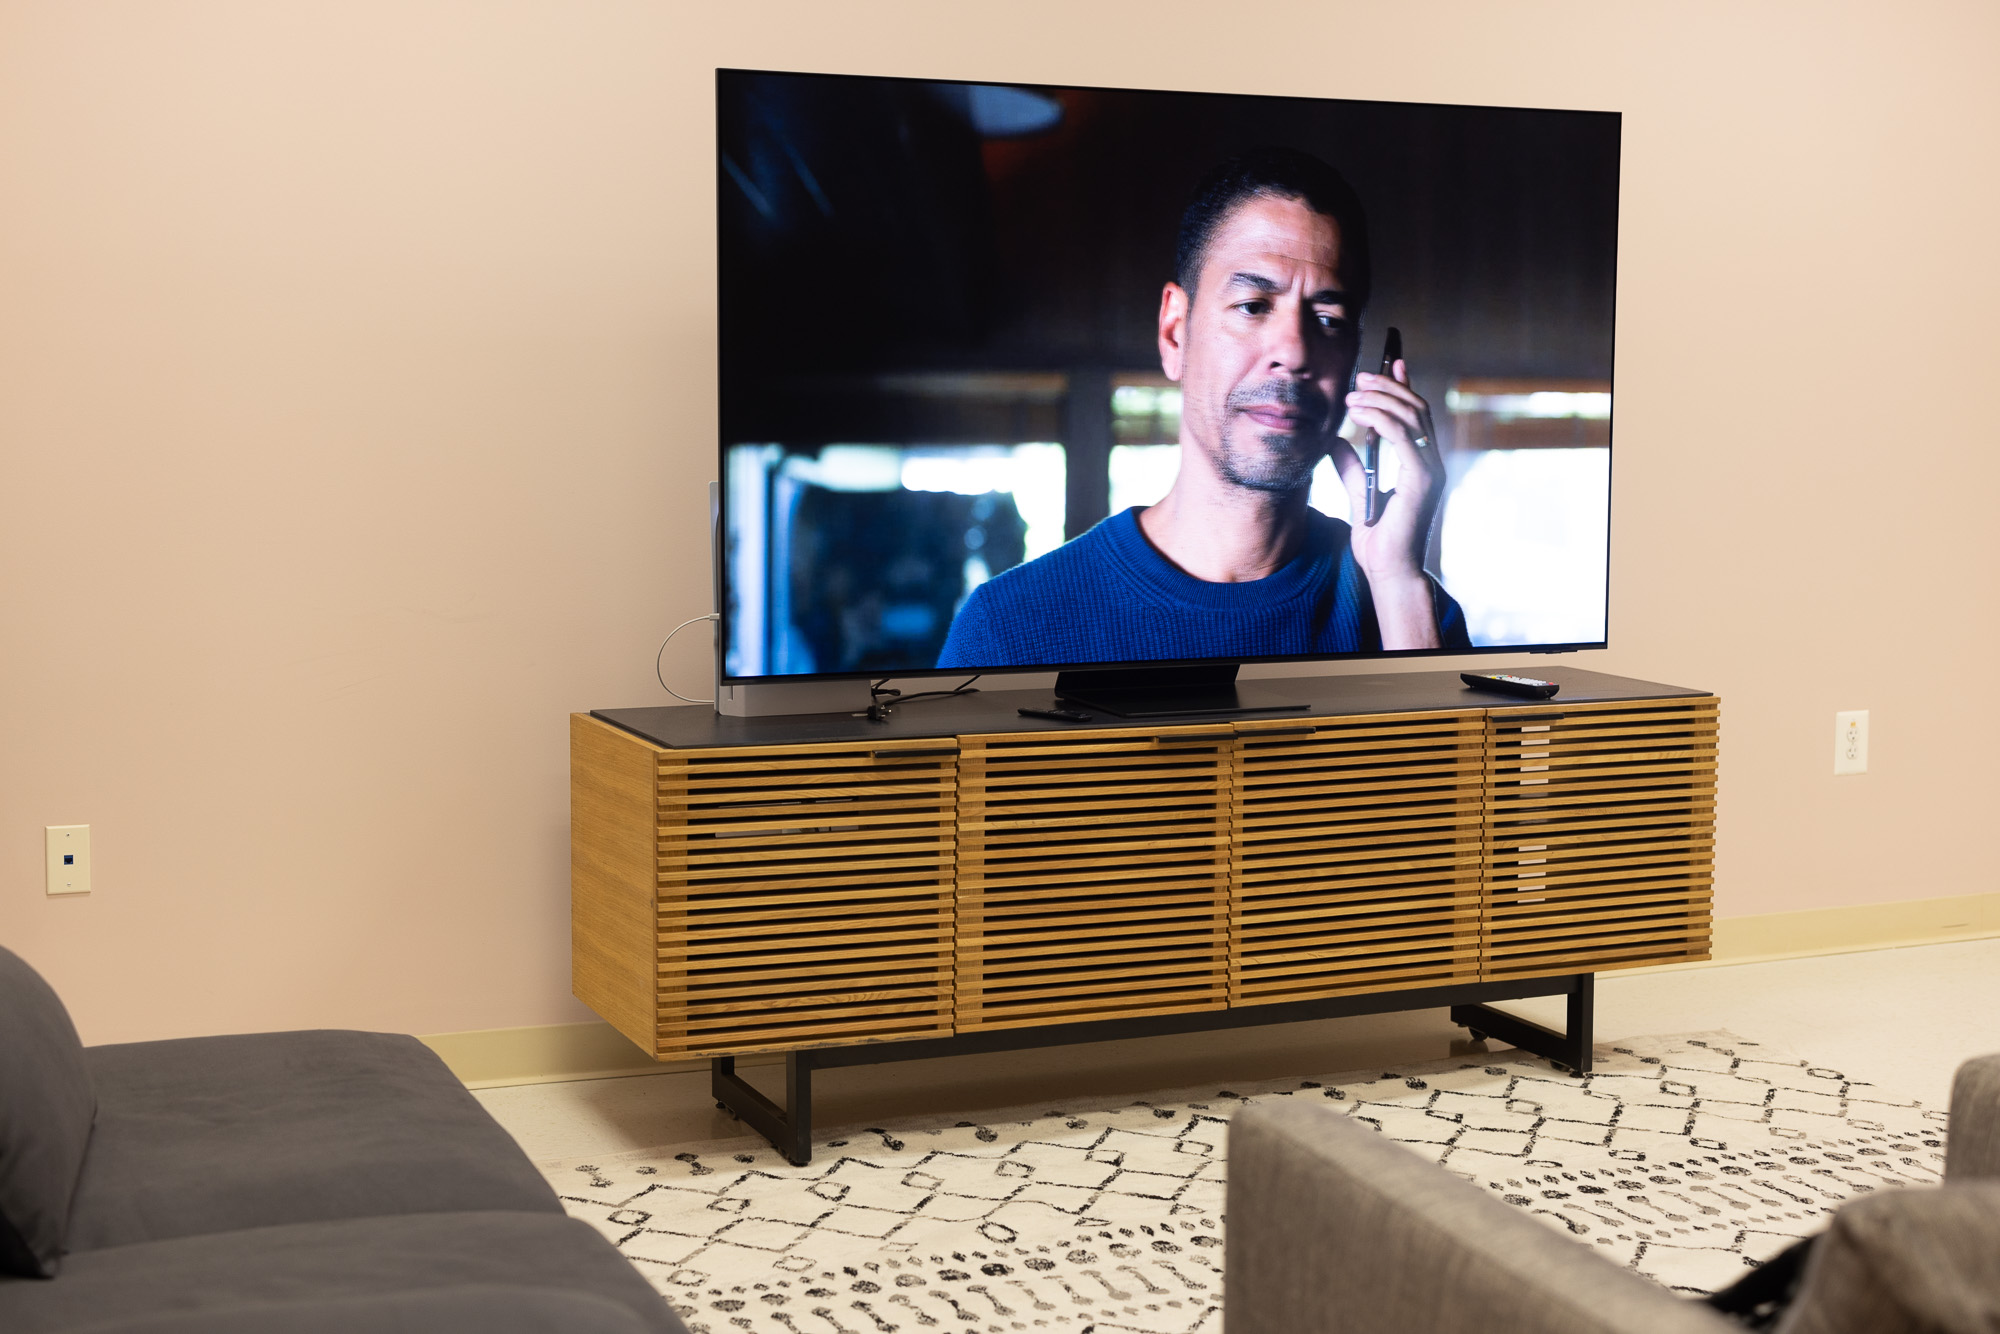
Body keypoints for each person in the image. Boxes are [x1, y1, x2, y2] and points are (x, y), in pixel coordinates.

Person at [936, 147, 1471, 669]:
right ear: (1175, 333)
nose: (1294, 352)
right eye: (1252, 306)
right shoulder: (1008, 629)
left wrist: (1399, 584)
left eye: (1328, 320)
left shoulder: (1411, 614)